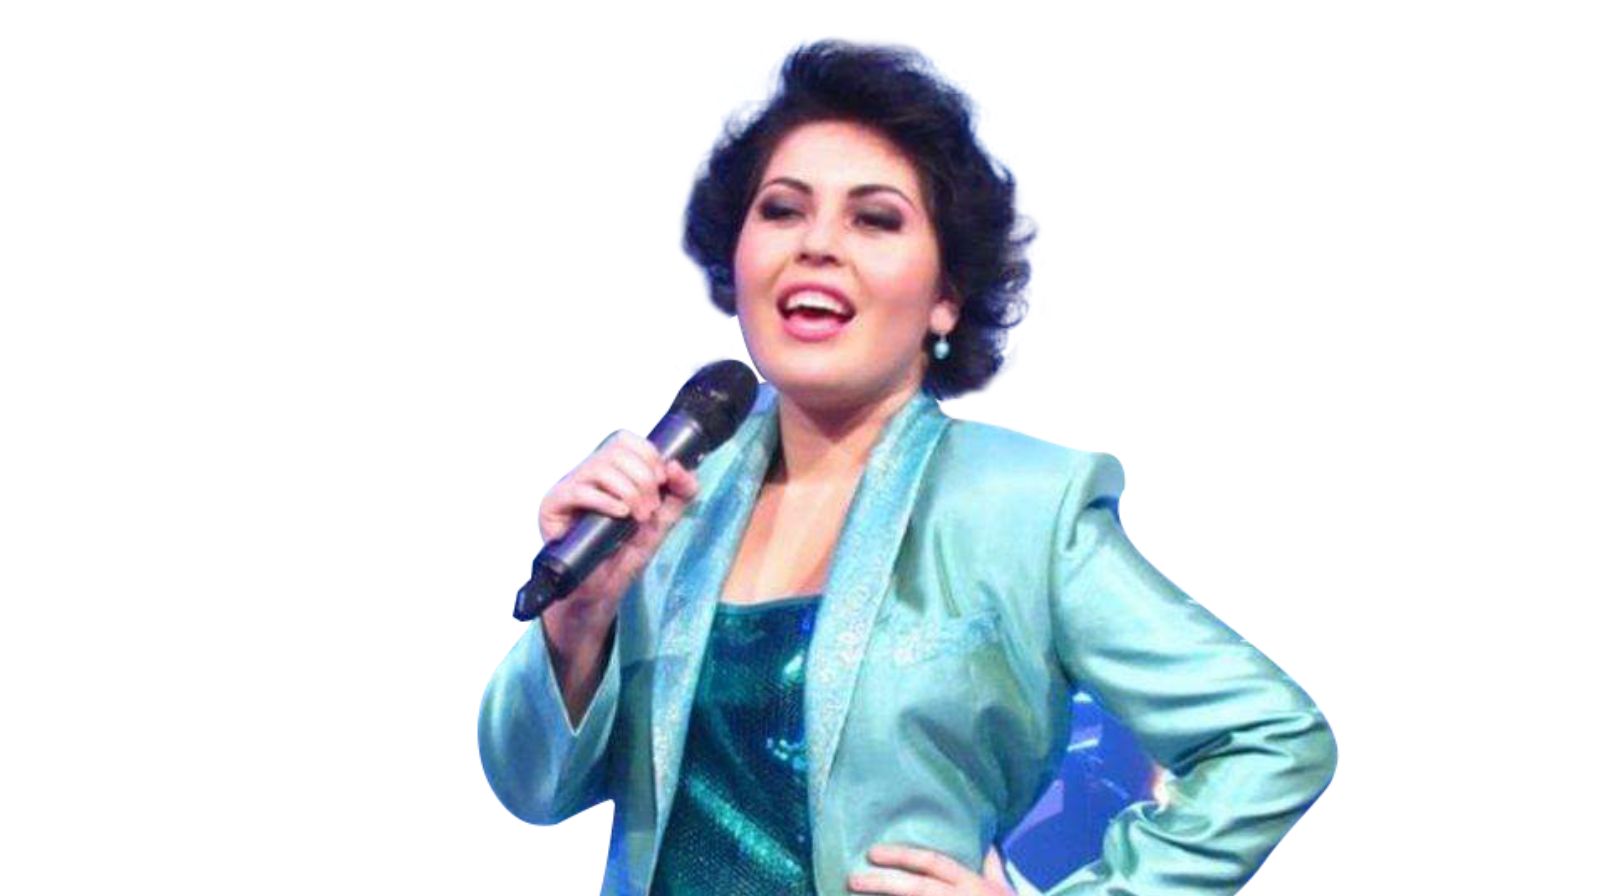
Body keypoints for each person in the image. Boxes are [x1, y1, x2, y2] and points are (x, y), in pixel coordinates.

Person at [479, 40, 1337, 896]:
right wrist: (577, 621)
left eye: (875, 220)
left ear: (946, 296)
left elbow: (1273, 740)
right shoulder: (666, 498)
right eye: (782, 210)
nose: (817, 244)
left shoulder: (1024, 509)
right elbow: (531, 787)